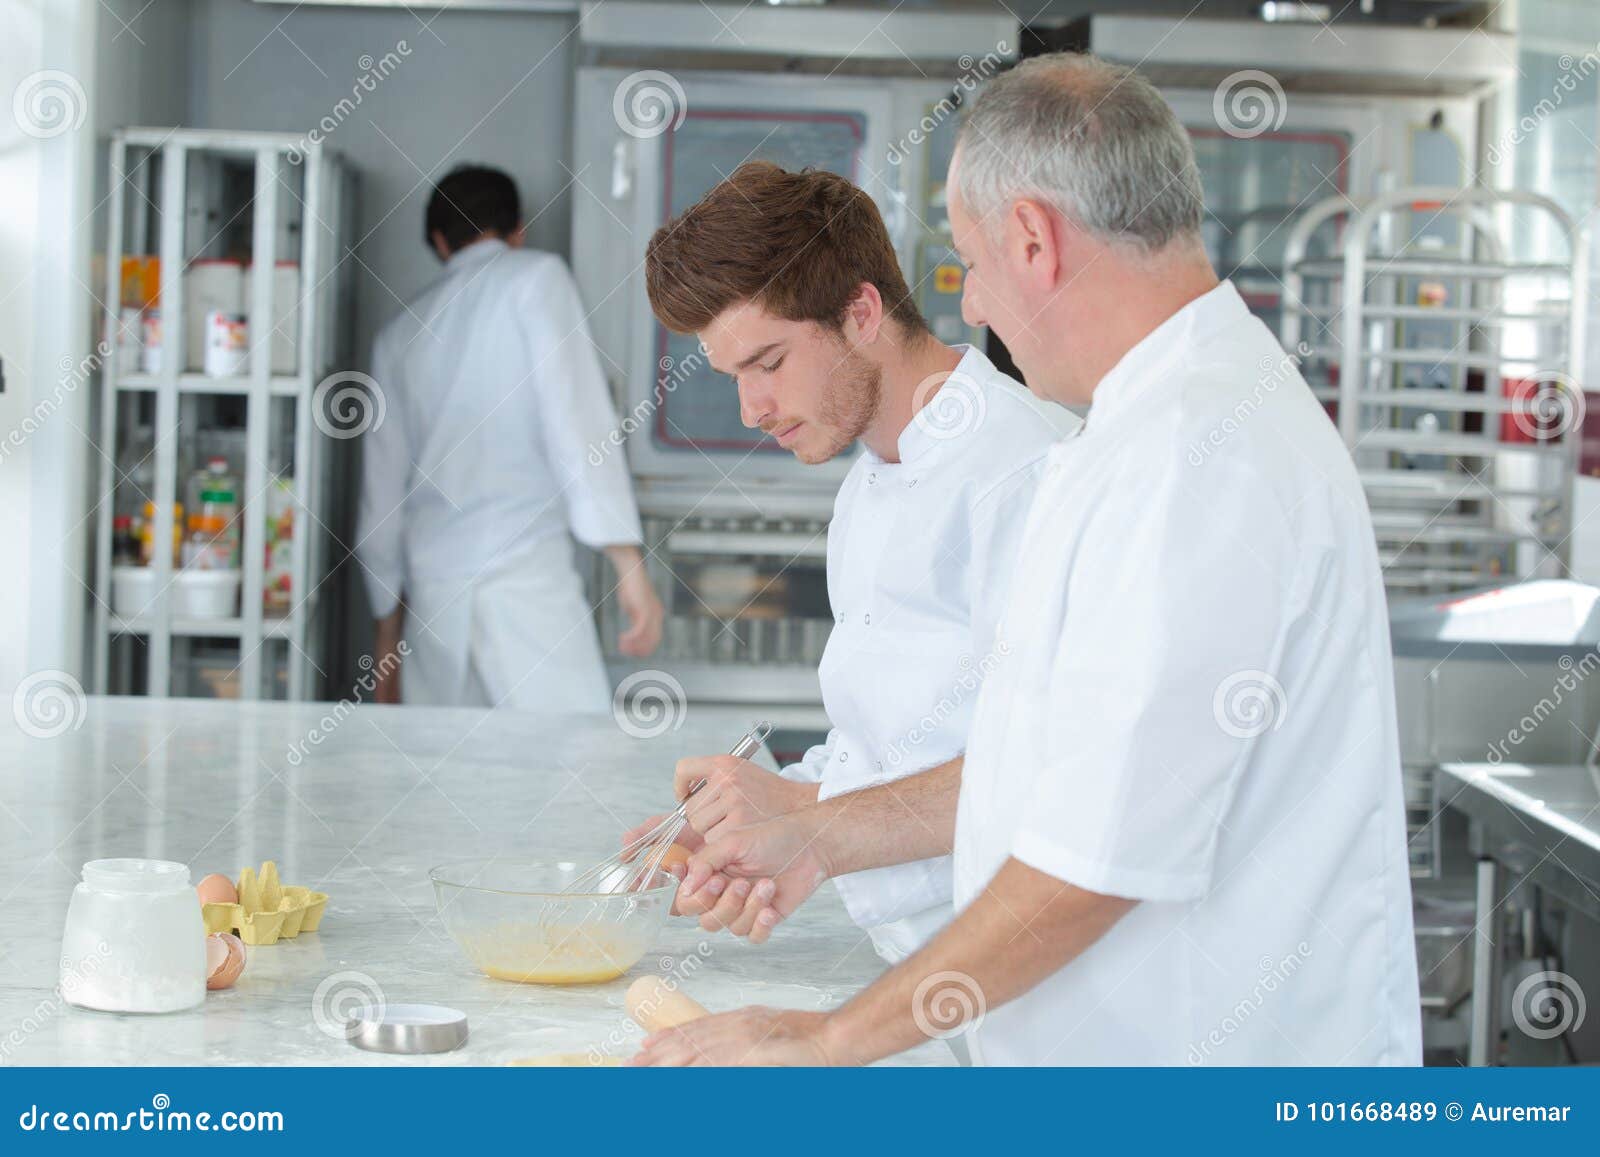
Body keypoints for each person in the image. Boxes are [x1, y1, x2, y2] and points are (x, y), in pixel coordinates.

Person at [633, 54, 1422, 1067]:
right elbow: (1040, 764)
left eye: (969, 264)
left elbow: (1094, 858)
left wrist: (828, 1034)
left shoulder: (1190, 458)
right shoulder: (1155, 428)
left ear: (1033, 240)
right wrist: (812, 830)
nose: (969, 310)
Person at [628, 162, 1077, 991]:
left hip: (1030, 977)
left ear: (861, 312)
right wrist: (766, 808)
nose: (751, 408)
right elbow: (888, 744)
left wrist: (813, 828)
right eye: (734, 377)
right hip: (917, 969)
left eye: (768, 362)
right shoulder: (867, 485)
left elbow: (1056, 769)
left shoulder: (1023, 470)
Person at [357, 165, 662, 710]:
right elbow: (577, 420)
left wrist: (385, 636)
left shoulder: (397, 336)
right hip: (527, 581)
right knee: (568, 772)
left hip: (434, 597)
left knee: (444, 781)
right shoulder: (537, 278)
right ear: (517, 230)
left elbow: (380, 499)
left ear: (439, 241)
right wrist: (628, 568)